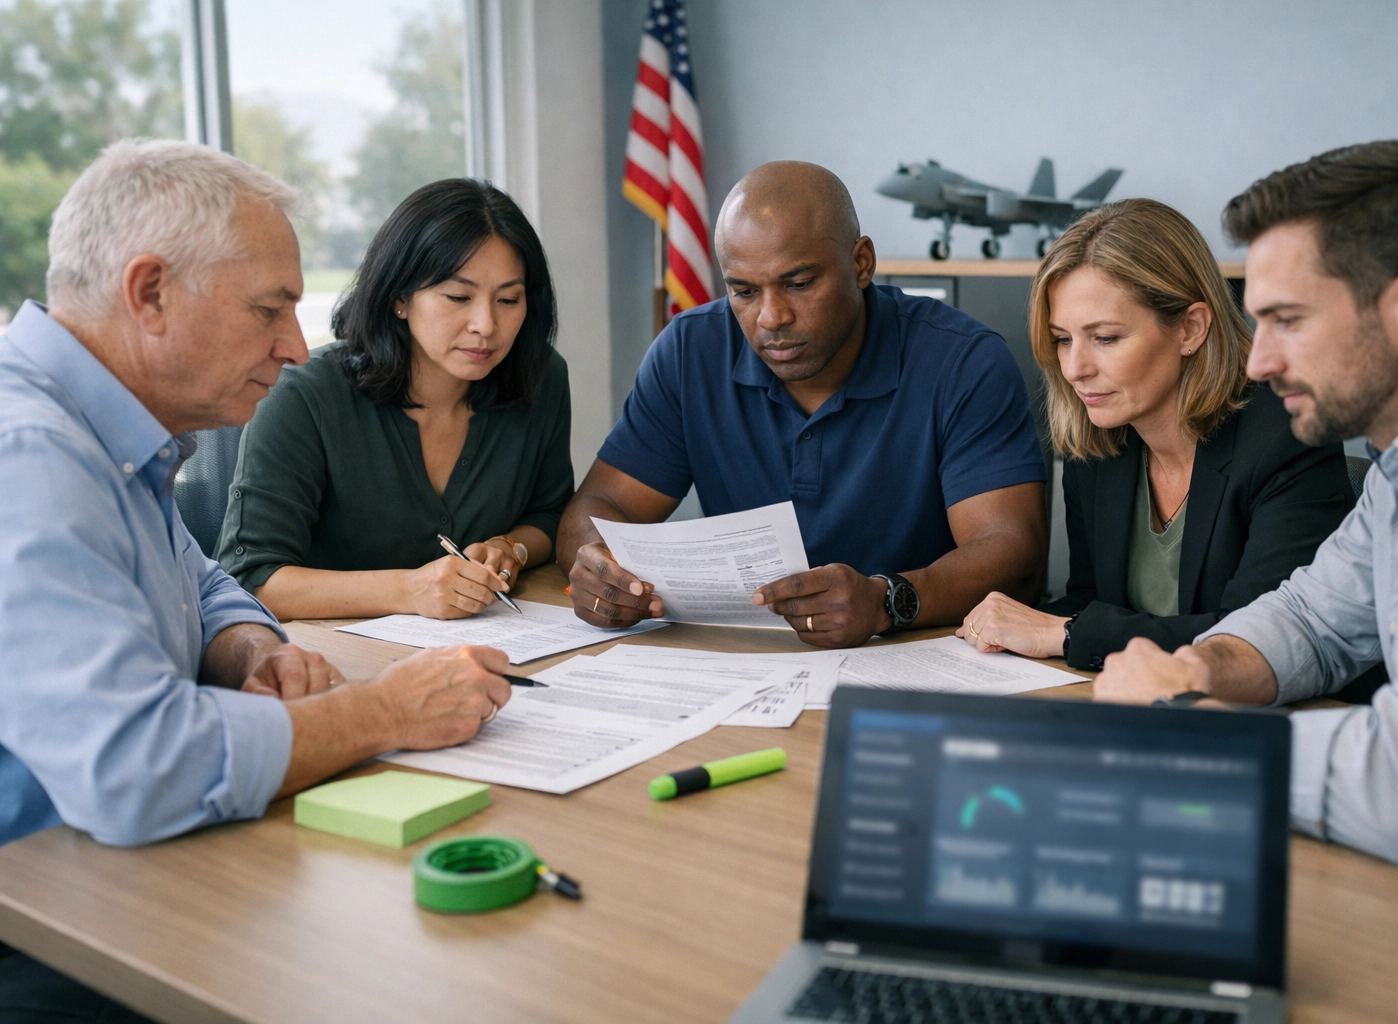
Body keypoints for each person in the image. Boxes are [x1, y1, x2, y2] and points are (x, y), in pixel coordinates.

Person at [0, 141, 513, 1017]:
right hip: (51, 935)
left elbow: (200, 582)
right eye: (270, 309)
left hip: (125, 878)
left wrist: (247, 647)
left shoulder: (106, 432)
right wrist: (387, 709)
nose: (295, 343)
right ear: (149, 292)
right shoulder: (30, 457)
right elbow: (140, 767)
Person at [1093, 140, 1398, 868]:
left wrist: (1184, 726)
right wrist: (1200, 671)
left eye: (1287, 320)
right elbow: (1314, 618)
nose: (1259, 361)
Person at [558, 161, 1049, 648]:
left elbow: (1011, 551)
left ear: (861, 264)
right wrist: (597, 564)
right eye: (744, 292)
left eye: (798, 284)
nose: (772, 317)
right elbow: (602, 506)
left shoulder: (963, 360)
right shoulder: (690, 350)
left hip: (918, 654)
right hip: (748, 657)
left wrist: (885, 601)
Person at [958, 199, 1355, 671]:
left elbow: (1256, 639)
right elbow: (1089, 602)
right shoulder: (1099, 440)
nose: (1074, 369)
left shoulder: (1287, 436)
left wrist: (1061, 632)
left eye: (1105, 338)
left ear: (1190, 328)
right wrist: (1009, 632)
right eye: (1063, 339)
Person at [216, 179, 572, 620]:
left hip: (485, 651)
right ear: (400, 298)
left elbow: (552, 514)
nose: (486, 324)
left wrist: (510, 548)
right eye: (458, 297)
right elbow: (251, 578)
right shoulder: (306, 397)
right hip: (331, 662)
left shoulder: (540, 377)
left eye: (508, 299)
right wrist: (409, 590)